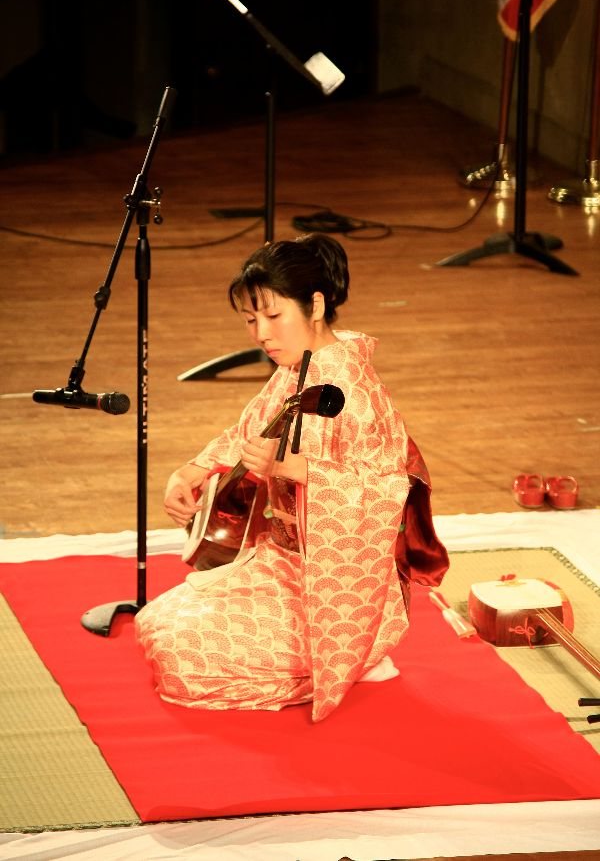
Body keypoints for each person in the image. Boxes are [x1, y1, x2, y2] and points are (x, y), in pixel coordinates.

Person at [135, 233, 448, 723]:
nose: (261, 333)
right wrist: (192, 470)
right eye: (250, 319)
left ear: (316, 304)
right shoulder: (296, 368)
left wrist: (290, 468)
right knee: (158, 622)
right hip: (281, 563)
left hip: (337, 589)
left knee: (184, 659)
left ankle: (360, 655)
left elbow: (385, 490)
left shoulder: (355, 390)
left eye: (273, 316)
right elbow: (248, 433)